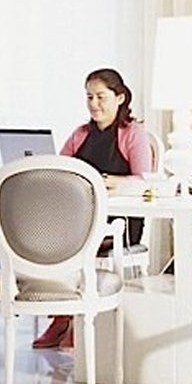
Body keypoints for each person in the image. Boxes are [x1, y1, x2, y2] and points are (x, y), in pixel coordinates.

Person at [34, 68, 152, 349]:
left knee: (68, 240)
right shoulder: (80, 134)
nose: (94, 104)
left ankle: (73, 315)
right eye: (89, 97)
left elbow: (145, 181)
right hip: (81, 218)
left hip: (120, 223)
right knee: (43, 237)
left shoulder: (132, 134)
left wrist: (114, 182)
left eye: (101, 96)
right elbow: (58, 168)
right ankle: (62, 315)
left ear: (120, 97)